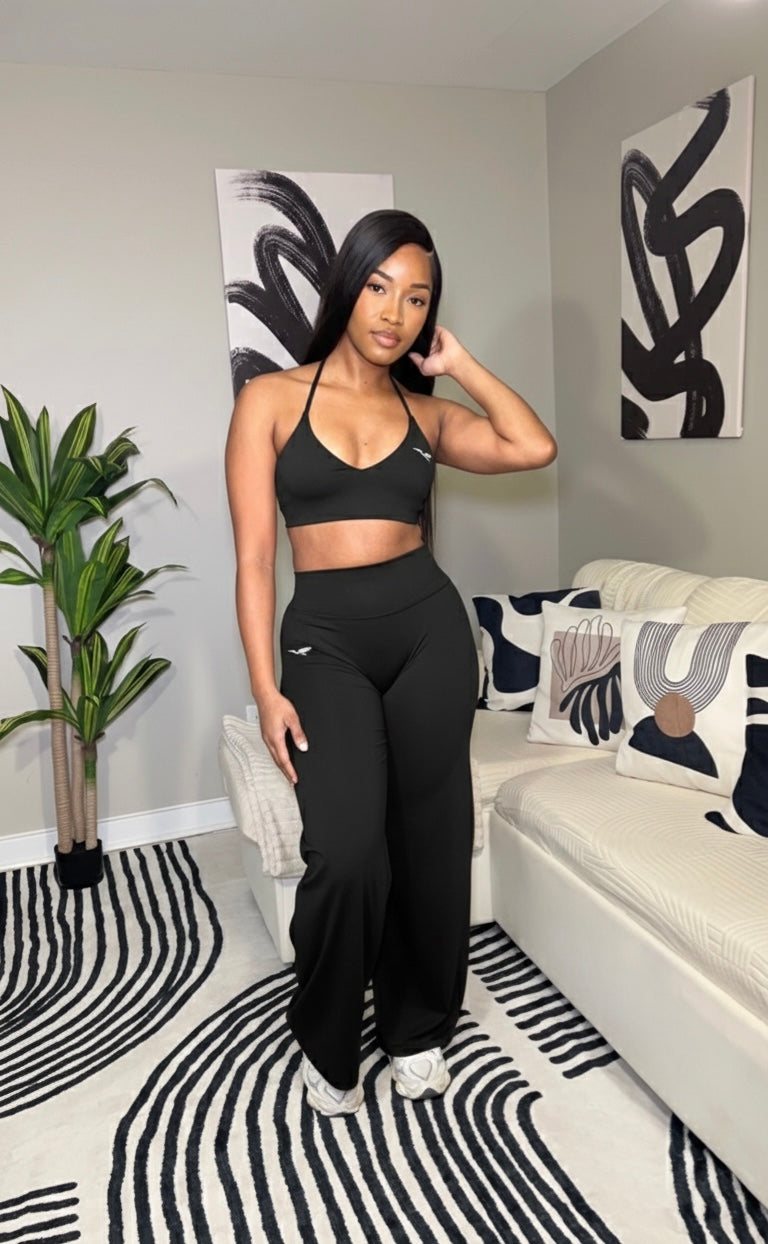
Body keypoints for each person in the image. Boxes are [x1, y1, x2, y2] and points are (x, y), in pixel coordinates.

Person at [225, 209, 556, 1116]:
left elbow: (532, 446)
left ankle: (417, 1027)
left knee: (431, 839)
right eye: (379, 288)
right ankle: (327, 1037)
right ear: (348, 287)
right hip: (323, 641)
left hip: (428, 634)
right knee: (346, 852)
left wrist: (462, 365)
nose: (394, 313)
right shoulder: (269, 401)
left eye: (417, 299)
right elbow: (254, 560)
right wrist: (264, 689)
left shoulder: (425, 411)